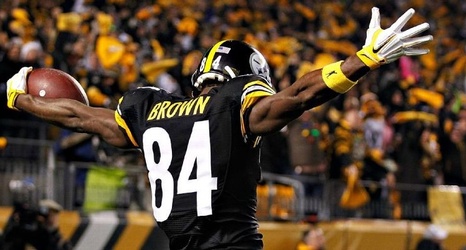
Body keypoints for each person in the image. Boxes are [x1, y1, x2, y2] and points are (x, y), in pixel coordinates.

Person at [5, 7, 432, 250]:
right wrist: (362, 61)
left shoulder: (148, 109)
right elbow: (298, 96)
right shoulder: (236, 102)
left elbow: (80, 116)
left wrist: (18, 98)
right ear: (244, 77)